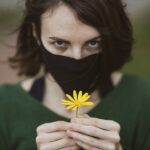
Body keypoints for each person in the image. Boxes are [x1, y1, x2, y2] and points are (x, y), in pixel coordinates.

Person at [0, 0, 150, 149]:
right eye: (60, 43)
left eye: (93, 43)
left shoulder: (142, 98)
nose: (77, 57)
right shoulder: (5, 106)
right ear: (36, 33)